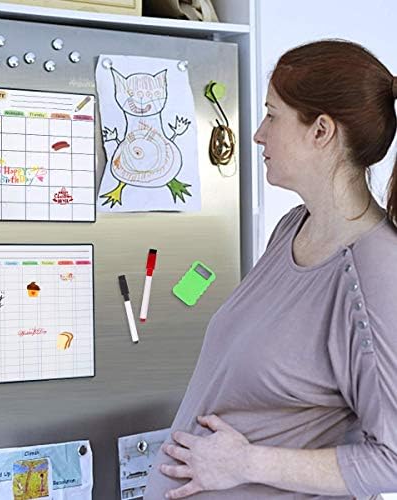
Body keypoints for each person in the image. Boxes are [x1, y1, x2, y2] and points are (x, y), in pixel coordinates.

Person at [143, 39, 397, 499]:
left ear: (321, 131)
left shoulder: (377, 272)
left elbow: (392, 460)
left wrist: (246, 463)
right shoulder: (292, 228)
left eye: (272, 115)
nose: (259, 134)